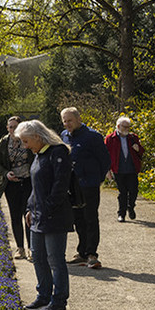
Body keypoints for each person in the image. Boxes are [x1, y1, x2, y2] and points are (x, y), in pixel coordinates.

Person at [16, 118, 73, 310]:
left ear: (37, 137)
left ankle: (59, 302)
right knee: (38, 257)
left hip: (54, 216)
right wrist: (30, 209)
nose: (25, 146)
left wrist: (47, 208)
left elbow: (60, 185)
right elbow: (35, 187)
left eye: (26, 141)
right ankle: (44, 296)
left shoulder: (58, 152)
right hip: (38, 215)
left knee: (55, 260)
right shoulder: (38, 154)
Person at [60, 107, 111, 269]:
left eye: (70, 120)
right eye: (64, 121)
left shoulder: (93, 136)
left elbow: (105, 161)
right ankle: (81, 252)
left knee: (90, 218)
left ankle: (92, 254)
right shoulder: (63, 136)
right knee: (78, 218)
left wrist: (97, 179)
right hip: (72, 185)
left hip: (89, 184)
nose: (67, 124)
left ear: (78, 119)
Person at [0, 115, 33, 259]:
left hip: (27, 181)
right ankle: (20, 248)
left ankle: (31, 249)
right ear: (7, 128)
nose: (13, 129)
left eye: (15, 127)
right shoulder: (3, 142)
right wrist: (6, 173)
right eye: (10, 127)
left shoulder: (28, 140)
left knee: (29, 215)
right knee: (15, 216)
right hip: (11, 184)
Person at [105, 116, 145, 222]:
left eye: (128, 127)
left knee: (134, 191)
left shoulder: (133, 137)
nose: (127, 129)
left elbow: (141, 152)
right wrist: (107, 170)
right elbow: (105, 155)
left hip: (132, 169)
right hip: (118, 169)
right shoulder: (110, 138)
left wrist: (138, 149)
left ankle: (130, 207)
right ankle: (121, 214)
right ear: (118, 126)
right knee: (122, 193)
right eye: (125, 127)